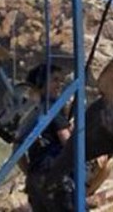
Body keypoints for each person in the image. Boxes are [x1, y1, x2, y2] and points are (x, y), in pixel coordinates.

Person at [24, 62, 75, 212]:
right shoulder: (51, 106)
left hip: (35, 179)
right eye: (54, 80)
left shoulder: (29, 110)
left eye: (60, 81)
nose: (59, 85)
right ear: (41, 83)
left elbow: (17, 150)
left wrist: (32, 174)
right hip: (56, 175)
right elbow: (67, 141)